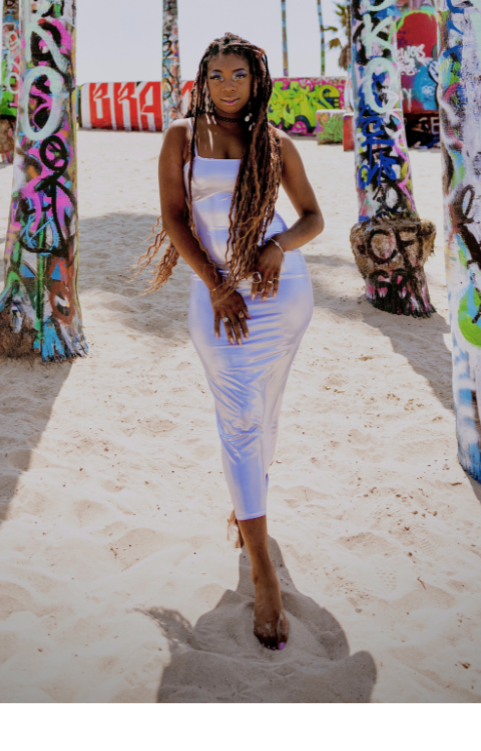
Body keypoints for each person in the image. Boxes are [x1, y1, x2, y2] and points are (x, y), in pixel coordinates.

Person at [137, 32, 324, 650]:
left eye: (238, 75)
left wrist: (276, 248)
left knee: (264, 411)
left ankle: (248, 509)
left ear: (256, 80)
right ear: (202, 80)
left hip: (282, 296)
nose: (226, 85)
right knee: (239, 416)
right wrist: (218, 285)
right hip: (218, 298)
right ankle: (263, 571)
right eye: (215, 75)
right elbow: (173, 216)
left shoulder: (276, 143)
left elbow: (311, 218)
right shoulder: (181, 139)